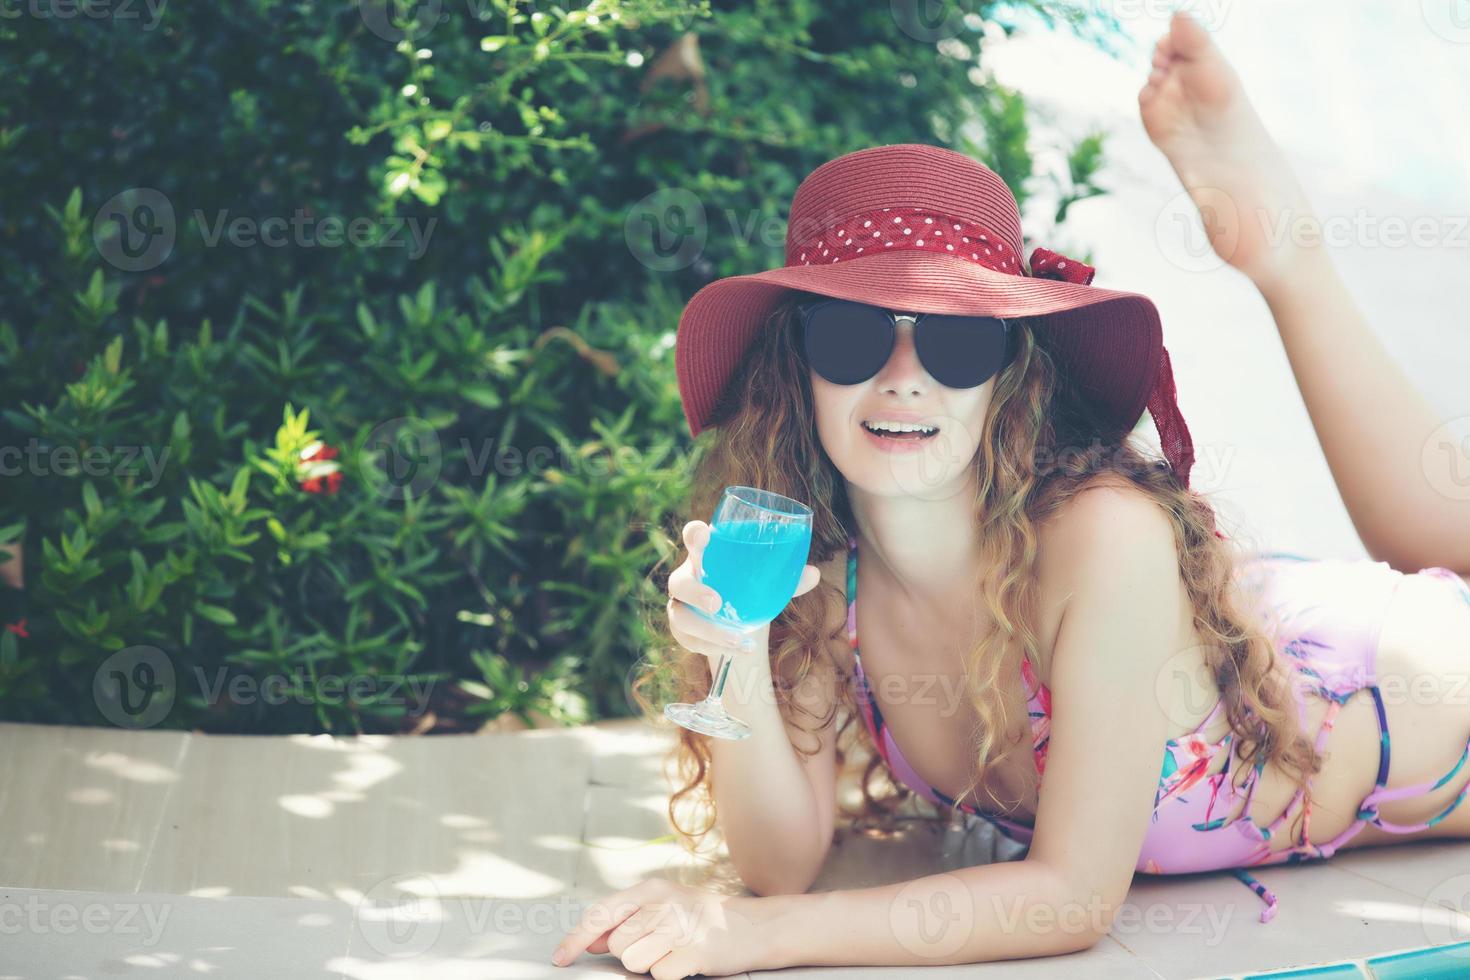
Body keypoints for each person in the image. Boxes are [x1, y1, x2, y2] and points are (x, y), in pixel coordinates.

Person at [553, 10, 1470, 976]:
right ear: (798, 369)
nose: (904, 377)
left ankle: (1286, 253)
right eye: (854, 337)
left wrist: (752, 937)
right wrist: (736, 655)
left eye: (957, 342)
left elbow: (1071, 897)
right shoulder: (824, 584)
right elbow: (782, 863)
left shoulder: (1103, 541)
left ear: (1008, 380)